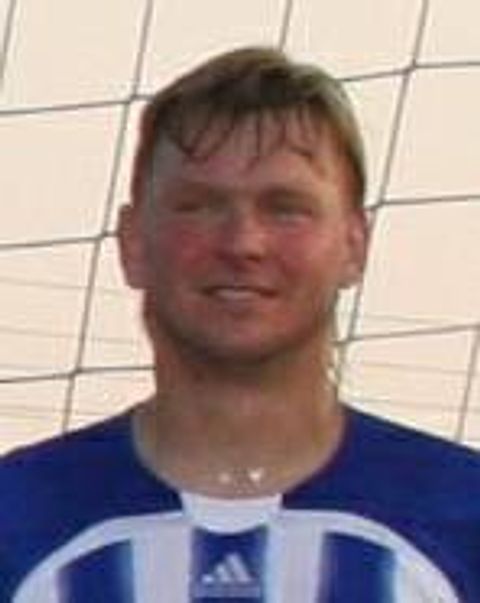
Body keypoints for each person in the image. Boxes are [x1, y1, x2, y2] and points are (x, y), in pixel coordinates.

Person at [0, 46, 479, 603]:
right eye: (198, 206)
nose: (242, 243)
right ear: (132, 243)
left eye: (285, 208)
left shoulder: (463, 516)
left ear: (355, 245)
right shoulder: (16, 518)